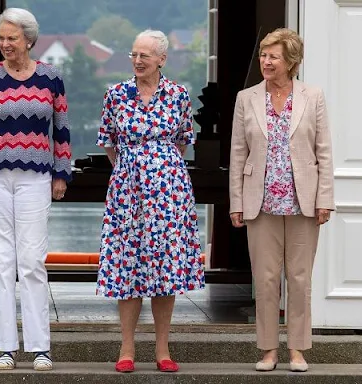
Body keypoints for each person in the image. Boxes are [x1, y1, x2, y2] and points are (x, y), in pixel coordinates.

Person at [0, 7, 71, 371]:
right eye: (1, 38)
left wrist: (62, 173)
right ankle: (6, 348)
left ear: (28, 39)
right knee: (2, 261)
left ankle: (41, 347)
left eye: (12, 38)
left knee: (31, 261)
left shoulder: (51, 77)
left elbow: (62, 129)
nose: (5, 44)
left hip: (36, 178)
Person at [95, 29, 205, 373]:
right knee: (127, 263)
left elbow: (183, 141)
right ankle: (126, 347)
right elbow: (109, 143)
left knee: (165, 265)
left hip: (169, 191)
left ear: (162, 59)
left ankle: (162, 348)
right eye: (133, 55)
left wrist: (158, 167)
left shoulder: (178, 95)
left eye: (145, 56)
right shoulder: (115, 94)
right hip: (127, 188)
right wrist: (134, 168)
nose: (138, 61)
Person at [229, 28, 334, 373]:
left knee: (300, 279)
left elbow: (324, 151)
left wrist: (325, 199)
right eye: (263, 55)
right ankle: (269, 350)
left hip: (302, 200)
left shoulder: (312, 96)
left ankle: (298, 351)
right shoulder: (246, 98)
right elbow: (238, 154)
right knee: (266, 278)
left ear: (291, 61)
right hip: (260, 202)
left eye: (273, 56)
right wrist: (236, 203)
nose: (266, 62)